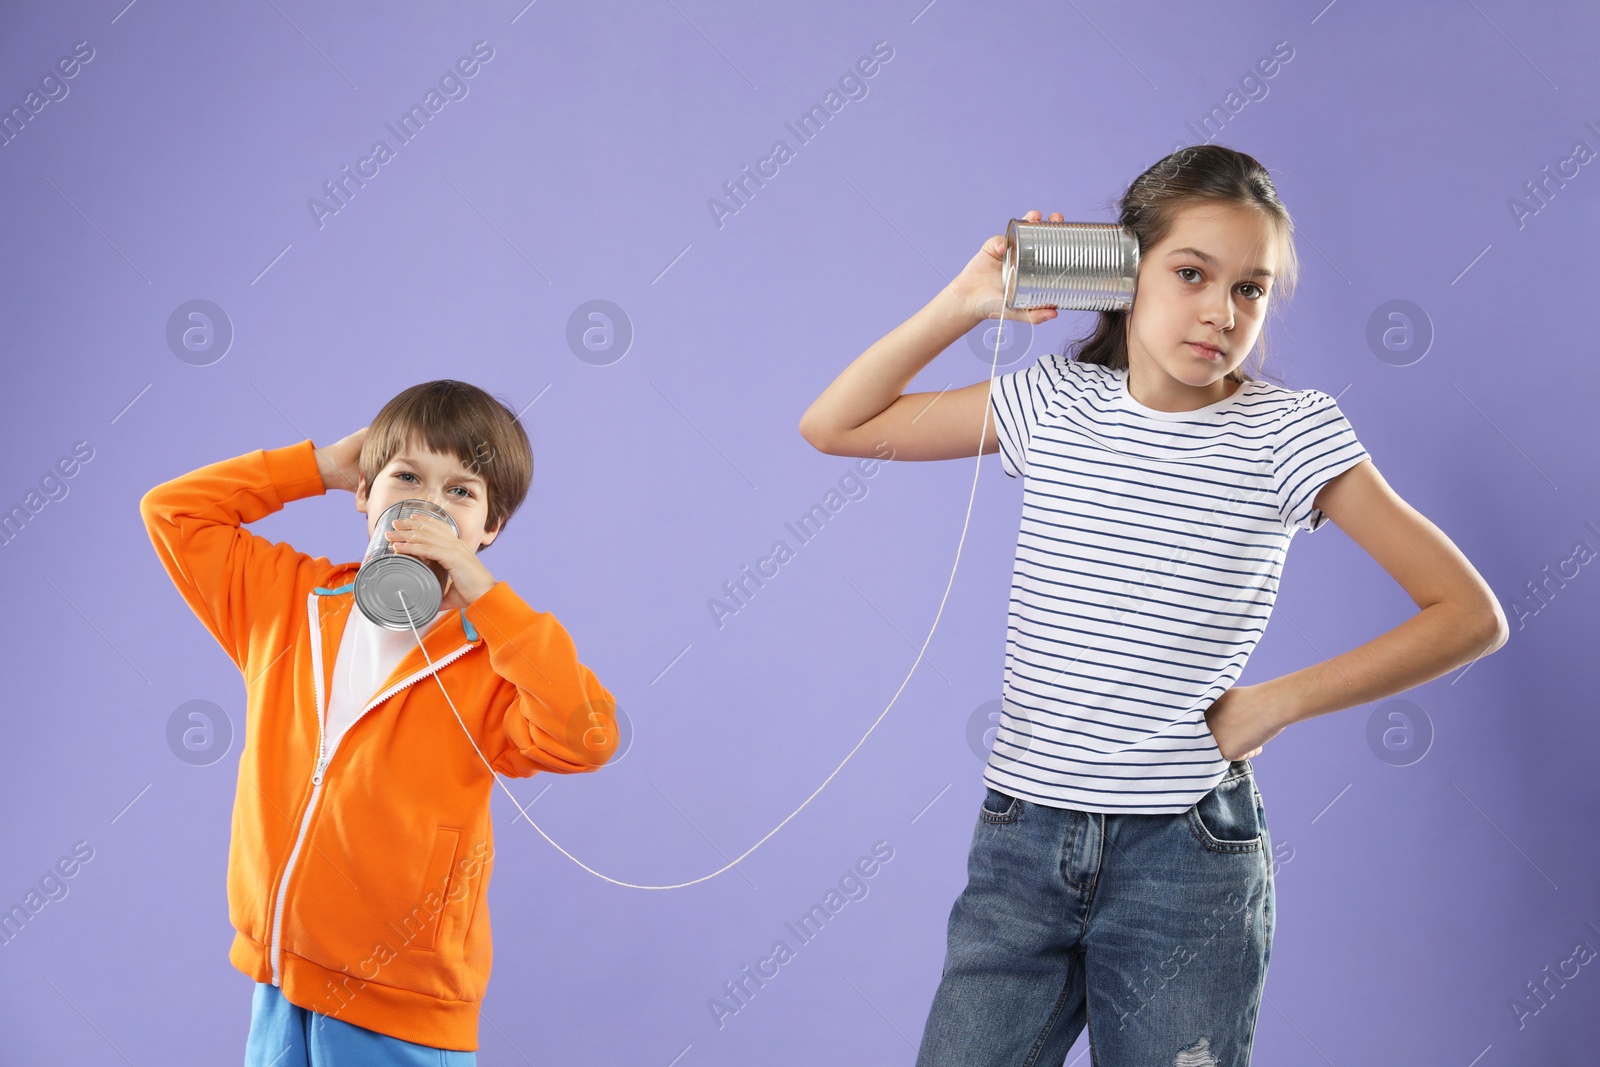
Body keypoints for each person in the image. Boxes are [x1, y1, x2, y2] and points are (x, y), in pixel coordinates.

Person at [798, 144, 1508, 1066]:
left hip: (1185, 857)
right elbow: (835, 424)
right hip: (1023, 840)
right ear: (1124, 270)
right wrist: (966, 304)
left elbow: (1468, 613)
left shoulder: (1291, 432)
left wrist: (1275, 701)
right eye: (1191, 273)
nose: (1221, 311)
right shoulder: (1051, 401)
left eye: (1251, 289)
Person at [140, 379, 618, 1064]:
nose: (427, 501)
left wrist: (484, 594)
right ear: (365, 491)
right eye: (406, 476)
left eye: (461, 491)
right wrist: (321, 465)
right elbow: (173, 512)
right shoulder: (286, 602)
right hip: (279, 978)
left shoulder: (491, 663)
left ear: (490, 528)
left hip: (401, 1005)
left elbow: (588, 736)